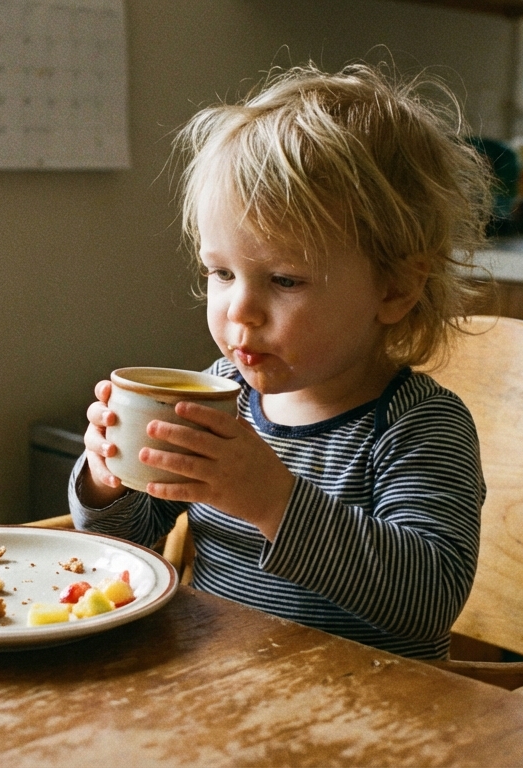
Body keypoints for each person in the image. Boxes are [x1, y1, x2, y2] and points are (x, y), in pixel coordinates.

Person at [69, 62, 491, 659]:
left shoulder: (419, 426)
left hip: (371, 718)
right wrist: (108, 482)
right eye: (221, 273)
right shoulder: (223, 395)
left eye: (285, 280)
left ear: (395, 289)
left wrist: (274, 500)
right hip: (223, 690)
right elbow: (131, 541)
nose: (240, 311)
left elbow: (428, 601)